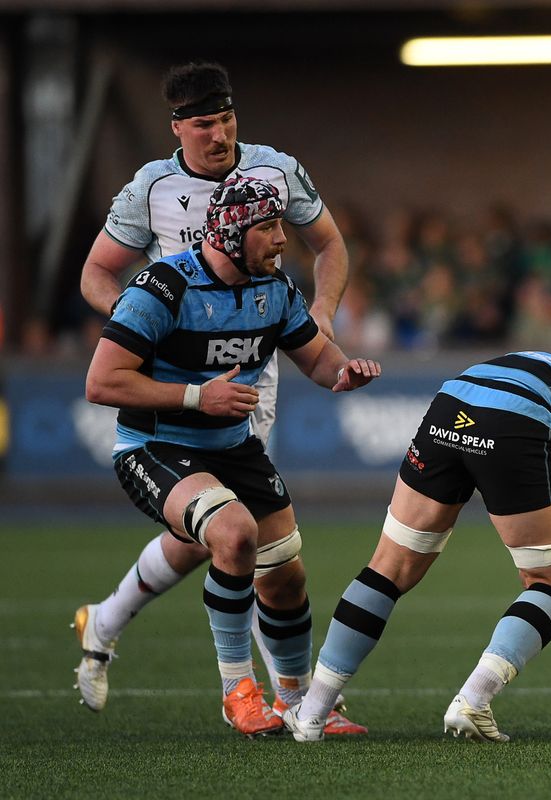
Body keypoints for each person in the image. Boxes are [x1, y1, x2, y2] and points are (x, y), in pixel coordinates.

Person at [73, 62, 355, 734]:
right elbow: (97, 272)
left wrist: (324, 314)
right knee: (228, 533)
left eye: (228, 119)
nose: (221, 133)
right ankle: (262, 695)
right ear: (179, 128)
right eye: (205, 123)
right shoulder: (150, 187)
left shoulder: (275, 169)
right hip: (177, 383)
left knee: (242, 544)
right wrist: (146, 326)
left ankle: (108, 620)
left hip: (253, 372)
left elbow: (331, 245)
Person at [281, 351, 551, 743]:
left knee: (389, 567)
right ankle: (474, 699)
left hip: (453, 398)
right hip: (517, 415)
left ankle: (312, 712)